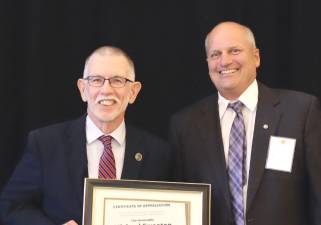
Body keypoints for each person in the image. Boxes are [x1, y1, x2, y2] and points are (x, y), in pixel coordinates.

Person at [0, 46, 173, 225]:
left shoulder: (158, 153)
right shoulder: (45, 144)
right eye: (96, 80)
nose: (106, 90)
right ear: (83, 89)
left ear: (133, 92)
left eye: (117, 80)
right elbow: (11, 205)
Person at [170, 21, 321, 225]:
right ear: (207, 63)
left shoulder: (301, 111)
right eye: (216, 54)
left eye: (234, 50)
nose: (225, 61)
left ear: (256, 57)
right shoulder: (185, 125)